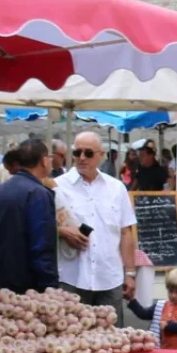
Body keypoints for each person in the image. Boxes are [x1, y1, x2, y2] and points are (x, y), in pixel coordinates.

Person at [54, 132, 139, 317]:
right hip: (71, 276)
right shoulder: (58, 186)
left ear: (101, 155)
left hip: (108, 276)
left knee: (112, 339)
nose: (82, 158)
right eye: (77, 153)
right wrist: (61, 231)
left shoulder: (116, 188)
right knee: (72, 338)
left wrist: (130, 273)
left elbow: (125, 232)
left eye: (88, 153)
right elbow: (42, 225)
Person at [0, 140, 59, 295]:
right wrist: (50, 285)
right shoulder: (38, 194)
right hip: (27, 290)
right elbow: (42, 245)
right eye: (49, 157)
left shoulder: (0, 190)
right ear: (43, 161)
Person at [128, 265, 177, 352]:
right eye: (170, 291)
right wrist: (132, 300)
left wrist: (169, 326)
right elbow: (144, 314)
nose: (173, 295)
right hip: (160, 350)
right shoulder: (160, 305)